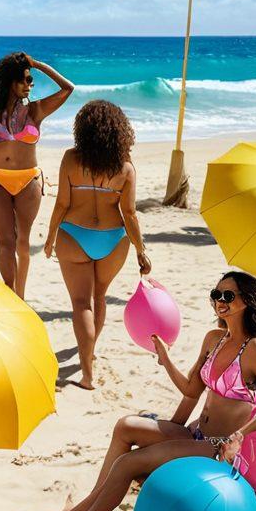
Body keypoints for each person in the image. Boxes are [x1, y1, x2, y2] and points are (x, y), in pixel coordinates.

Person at [32, 271, 256, 511]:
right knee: (125, 425)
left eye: (228, 295)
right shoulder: (214, 339)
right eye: (216, 295)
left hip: (216, 448)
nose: (220, 301)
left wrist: (241, 434)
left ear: (247, 301)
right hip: (195, 434)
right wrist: (165, 357)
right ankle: (89, 508)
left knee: (127, 464)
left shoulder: (255, 348)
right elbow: (192, 390)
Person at [44, 100, 150, 390]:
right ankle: (88, 354)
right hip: (113, 239)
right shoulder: (126, 168)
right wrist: (141, 251)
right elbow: (129, 214)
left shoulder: (70, 158)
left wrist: (51, 237)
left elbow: (62, 202)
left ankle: (88, 374)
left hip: (74, 235)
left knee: (80, 304)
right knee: (99, 297)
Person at [0, 52, 73, 297]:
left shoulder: (36, 110)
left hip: (29, 182)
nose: (30, 85)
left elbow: (68, 88)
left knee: (22, 244)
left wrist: (37, 64)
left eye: (31, 80)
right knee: (5, 243)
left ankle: (21, 297)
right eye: (25, 80)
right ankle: (9, 293)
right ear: (10, 82)